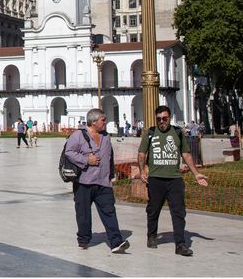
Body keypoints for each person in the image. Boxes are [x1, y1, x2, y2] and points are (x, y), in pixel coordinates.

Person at [137, 105, 208, 257]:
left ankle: (180, 244)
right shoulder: (150, 133)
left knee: (178, 212)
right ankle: (152, 235)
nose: (162, 121)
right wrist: (142, 170)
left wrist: (196, 173)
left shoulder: (177, 132)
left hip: (175, 179)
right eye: (159, 119)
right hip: (156, 179)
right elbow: (142, 154)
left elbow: (186, 154)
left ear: (170, 118)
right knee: (153, 209)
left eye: (164, 118)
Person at [65, 109, 130, 253]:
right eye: (103, 119)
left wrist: (111, 175)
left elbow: (110, 156)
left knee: (109, 211)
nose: (105, 122)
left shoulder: (106, 136)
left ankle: (116, 242)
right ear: (93, 122)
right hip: (84, 182)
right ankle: (83, 239)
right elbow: (69, 152)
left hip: (103, 182)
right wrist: (86, 160)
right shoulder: (78, 136)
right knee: (83, 213)